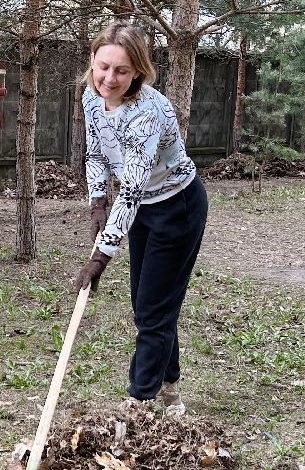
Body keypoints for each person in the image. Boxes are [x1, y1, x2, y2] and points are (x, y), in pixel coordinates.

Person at [74, 22, 207, 417]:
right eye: (103, 67)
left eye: (121, 71)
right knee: (149, 304)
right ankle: (171, 391)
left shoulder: (145, 113)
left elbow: (131, 189)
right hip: (145, 207)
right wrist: (98, 202)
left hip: (177, 207)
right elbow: (96, 153)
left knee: (152, 309)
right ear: (93, 61)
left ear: (137, 72)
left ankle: (139, 403)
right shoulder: (92, 97)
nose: (108, 78)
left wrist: (101, 257)